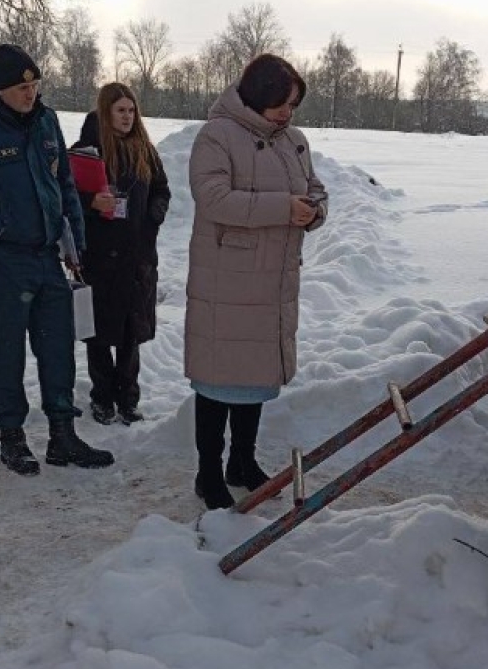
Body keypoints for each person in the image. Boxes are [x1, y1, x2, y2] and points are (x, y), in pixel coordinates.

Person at [0, 44, 113, 475]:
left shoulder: (46, 122)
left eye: (34, 86)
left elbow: (64, 182)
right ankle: (11, 437)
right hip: (6, 259)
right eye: (21, 88)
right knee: (8, 351)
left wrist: (75, 239)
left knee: (57, 347)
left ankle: (62, 434)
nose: (30, 95)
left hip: (48, 255)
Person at [185, 54, 327, 510]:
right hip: (228, 280)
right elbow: (213, 199)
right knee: (217, 383)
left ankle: (241, 461)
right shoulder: (217, 135)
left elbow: (314, 187)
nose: (287, 113)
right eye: (280, 103)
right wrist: (284, 208)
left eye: (293, 105)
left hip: (272, 281)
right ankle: (209, 473)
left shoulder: (294, 141)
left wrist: (314, 210)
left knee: (253, 378)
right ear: (256, 95)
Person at [70, 84, 171, 426]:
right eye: (120, 111)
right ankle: (102, 397)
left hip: (136, 256)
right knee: (98, 332)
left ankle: (128, 398)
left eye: (131, 110)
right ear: (105, 112)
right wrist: (91, 204)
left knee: (131, 333)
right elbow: (64, 198)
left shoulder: (145, 149)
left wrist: (153, 217)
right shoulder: (86, 151)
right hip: (99, 257)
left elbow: (161, 190)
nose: (127, 117)